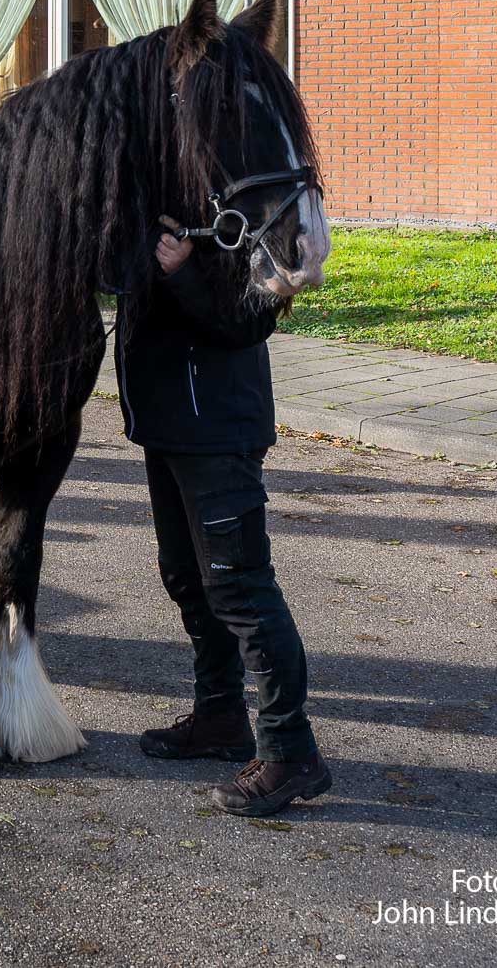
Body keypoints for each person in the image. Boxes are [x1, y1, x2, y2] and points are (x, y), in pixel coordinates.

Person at [123, 220, 332, 818]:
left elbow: (252, 320)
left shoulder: (243, 219)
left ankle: (291, 753)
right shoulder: (170, 212)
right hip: (168, 425)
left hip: (218, 431)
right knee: (188, 579)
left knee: (241, 590)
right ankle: (219, 716)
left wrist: (183, 272)